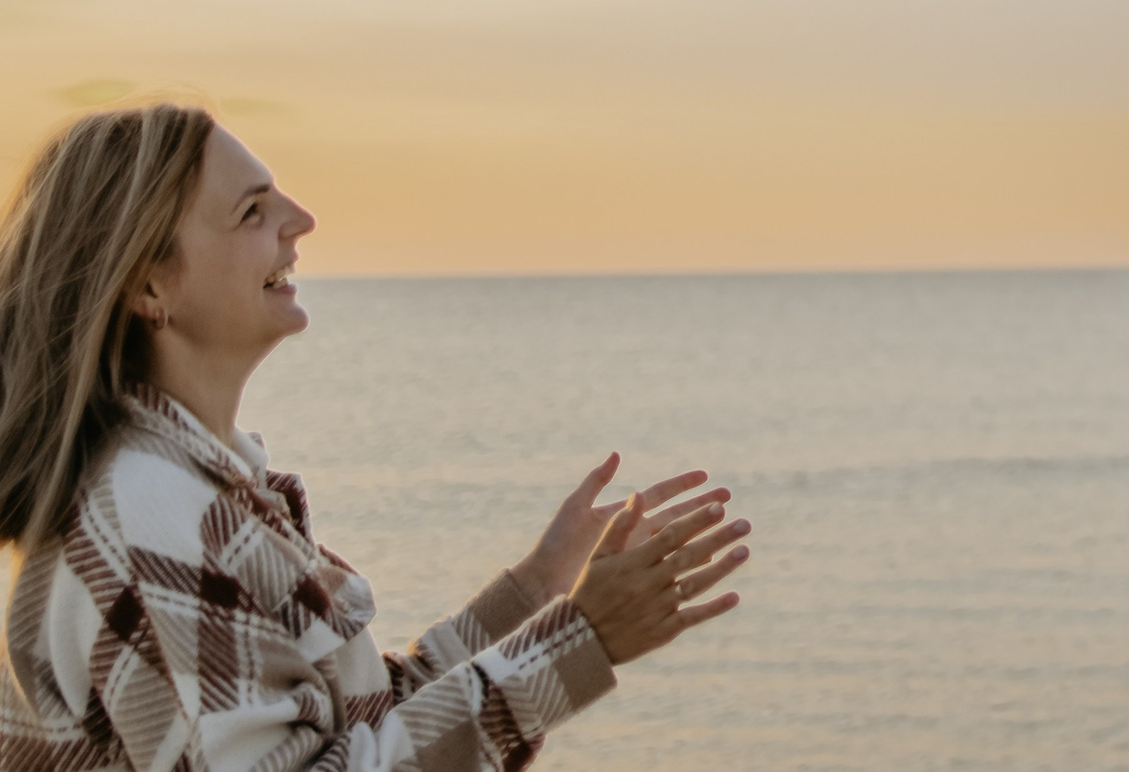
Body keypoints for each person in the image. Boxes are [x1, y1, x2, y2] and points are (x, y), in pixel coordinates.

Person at [0, 106, 750, 772]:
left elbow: (355, 727)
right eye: (252, 212)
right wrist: (582, 638)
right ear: (148, 287)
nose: (301, 218)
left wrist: (540, 586)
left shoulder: (190, 488)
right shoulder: (148, 515)